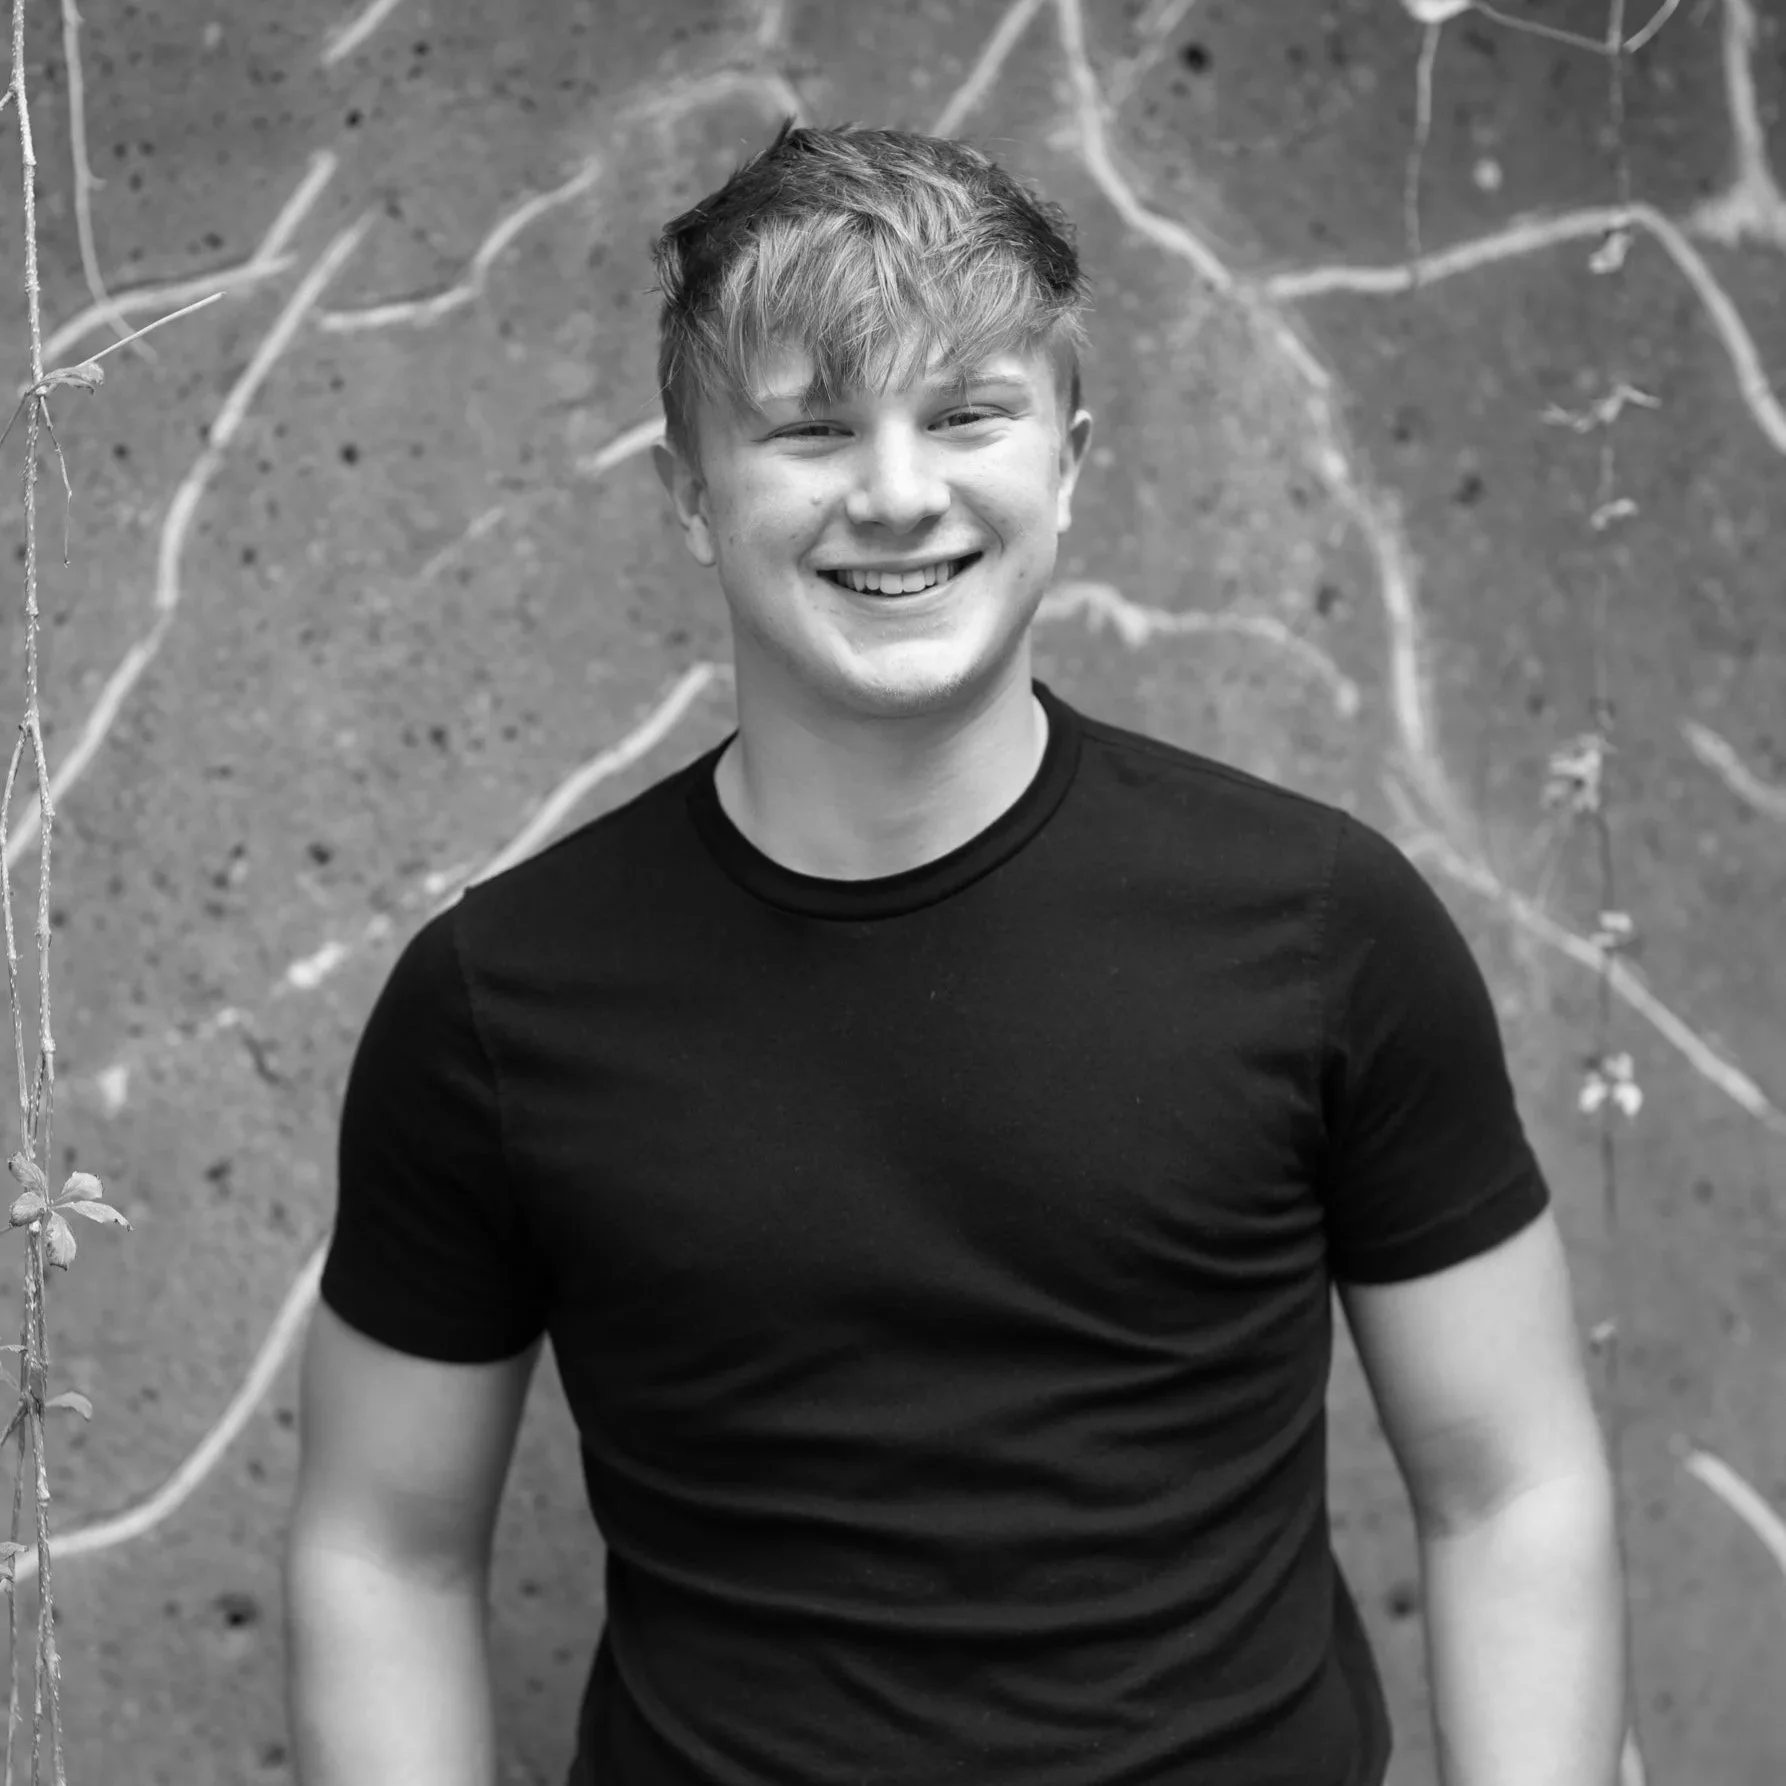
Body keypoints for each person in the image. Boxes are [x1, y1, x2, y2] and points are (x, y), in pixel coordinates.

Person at [283, 120, 1626, 1786]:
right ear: (689, 489)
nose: (899, 489)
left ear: (1070, 455)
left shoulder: (1320, 927)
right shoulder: (496, 1001)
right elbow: (381, 1546)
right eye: (811, 426)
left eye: (967, 413)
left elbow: (1510, 1483)